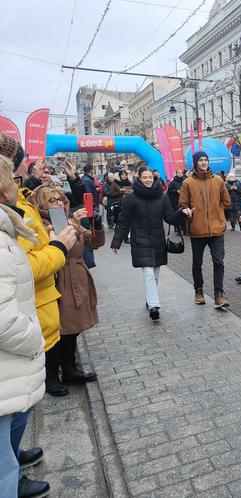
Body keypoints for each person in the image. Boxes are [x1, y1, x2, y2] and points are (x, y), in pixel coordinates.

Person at [0, 134, 77, 398]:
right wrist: (58, 246)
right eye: (22, 164)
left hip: (43, 301)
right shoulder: (13, 209)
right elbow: (25, 266)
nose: (28, 168)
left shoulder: (20, 202)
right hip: (30, 313)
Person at [0, 156, 50, 498]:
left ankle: (12, 464)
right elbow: (3, 319)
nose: (21, 183)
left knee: (14, 419)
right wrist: (35, 340)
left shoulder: (7, 227)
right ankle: (10, 478)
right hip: (12, 353)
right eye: (15, 178)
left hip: (12, 364)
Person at [31, 185, 104, 384]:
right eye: (52, 200)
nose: (58, 204)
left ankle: (70, 368)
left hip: (77, 278)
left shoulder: (69, 219)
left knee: (73, 327)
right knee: (57, 329)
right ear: (41, 204)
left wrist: (96, 224)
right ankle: (52, 375)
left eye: (60, 200)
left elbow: (94, 242)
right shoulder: (39, 223)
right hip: (56, 280)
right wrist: (72, 224)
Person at [111, 166, 186, 320]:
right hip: (140, 241)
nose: (148, 180)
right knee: (149, 274)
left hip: (158, 241)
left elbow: (169, 218)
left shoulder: (162, 196)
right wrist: (116, 242)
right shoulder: (130, 198)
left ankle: (150, 299)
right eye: (144, 177)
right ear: (138, 178)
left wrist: (181, 213)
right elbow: (124, 222)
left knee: (155, 274)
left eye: (150, 177)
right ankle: (154, 306)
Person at [178, 151, 232, 308]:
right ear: (195, 163)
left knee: (219, 262)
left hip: (217, 229)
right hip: (197, 229)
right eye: (200, 160)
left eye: (205, 160)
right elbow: (182, 204)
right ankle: (199, 291)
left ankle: (219, 295)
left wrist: (220, 214)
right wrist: (187, 212)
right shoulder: (187, 183)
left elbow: (226, 201)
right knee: (197, 263)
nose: (203, 162)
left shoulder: (218, 180)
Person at [167, 169, 187, 235]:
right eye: (178, 172)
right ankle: (178, 229)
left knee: (184, 215)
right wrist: (176, 191)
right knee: (177, 215)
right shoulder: (173, 182)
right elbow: (169, 190)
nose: (180, 173)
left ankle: (184, 229)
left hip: (184, 201)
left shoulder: (185, 180)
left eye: (181, 172)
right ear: (176, 173)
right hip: (175, 201)